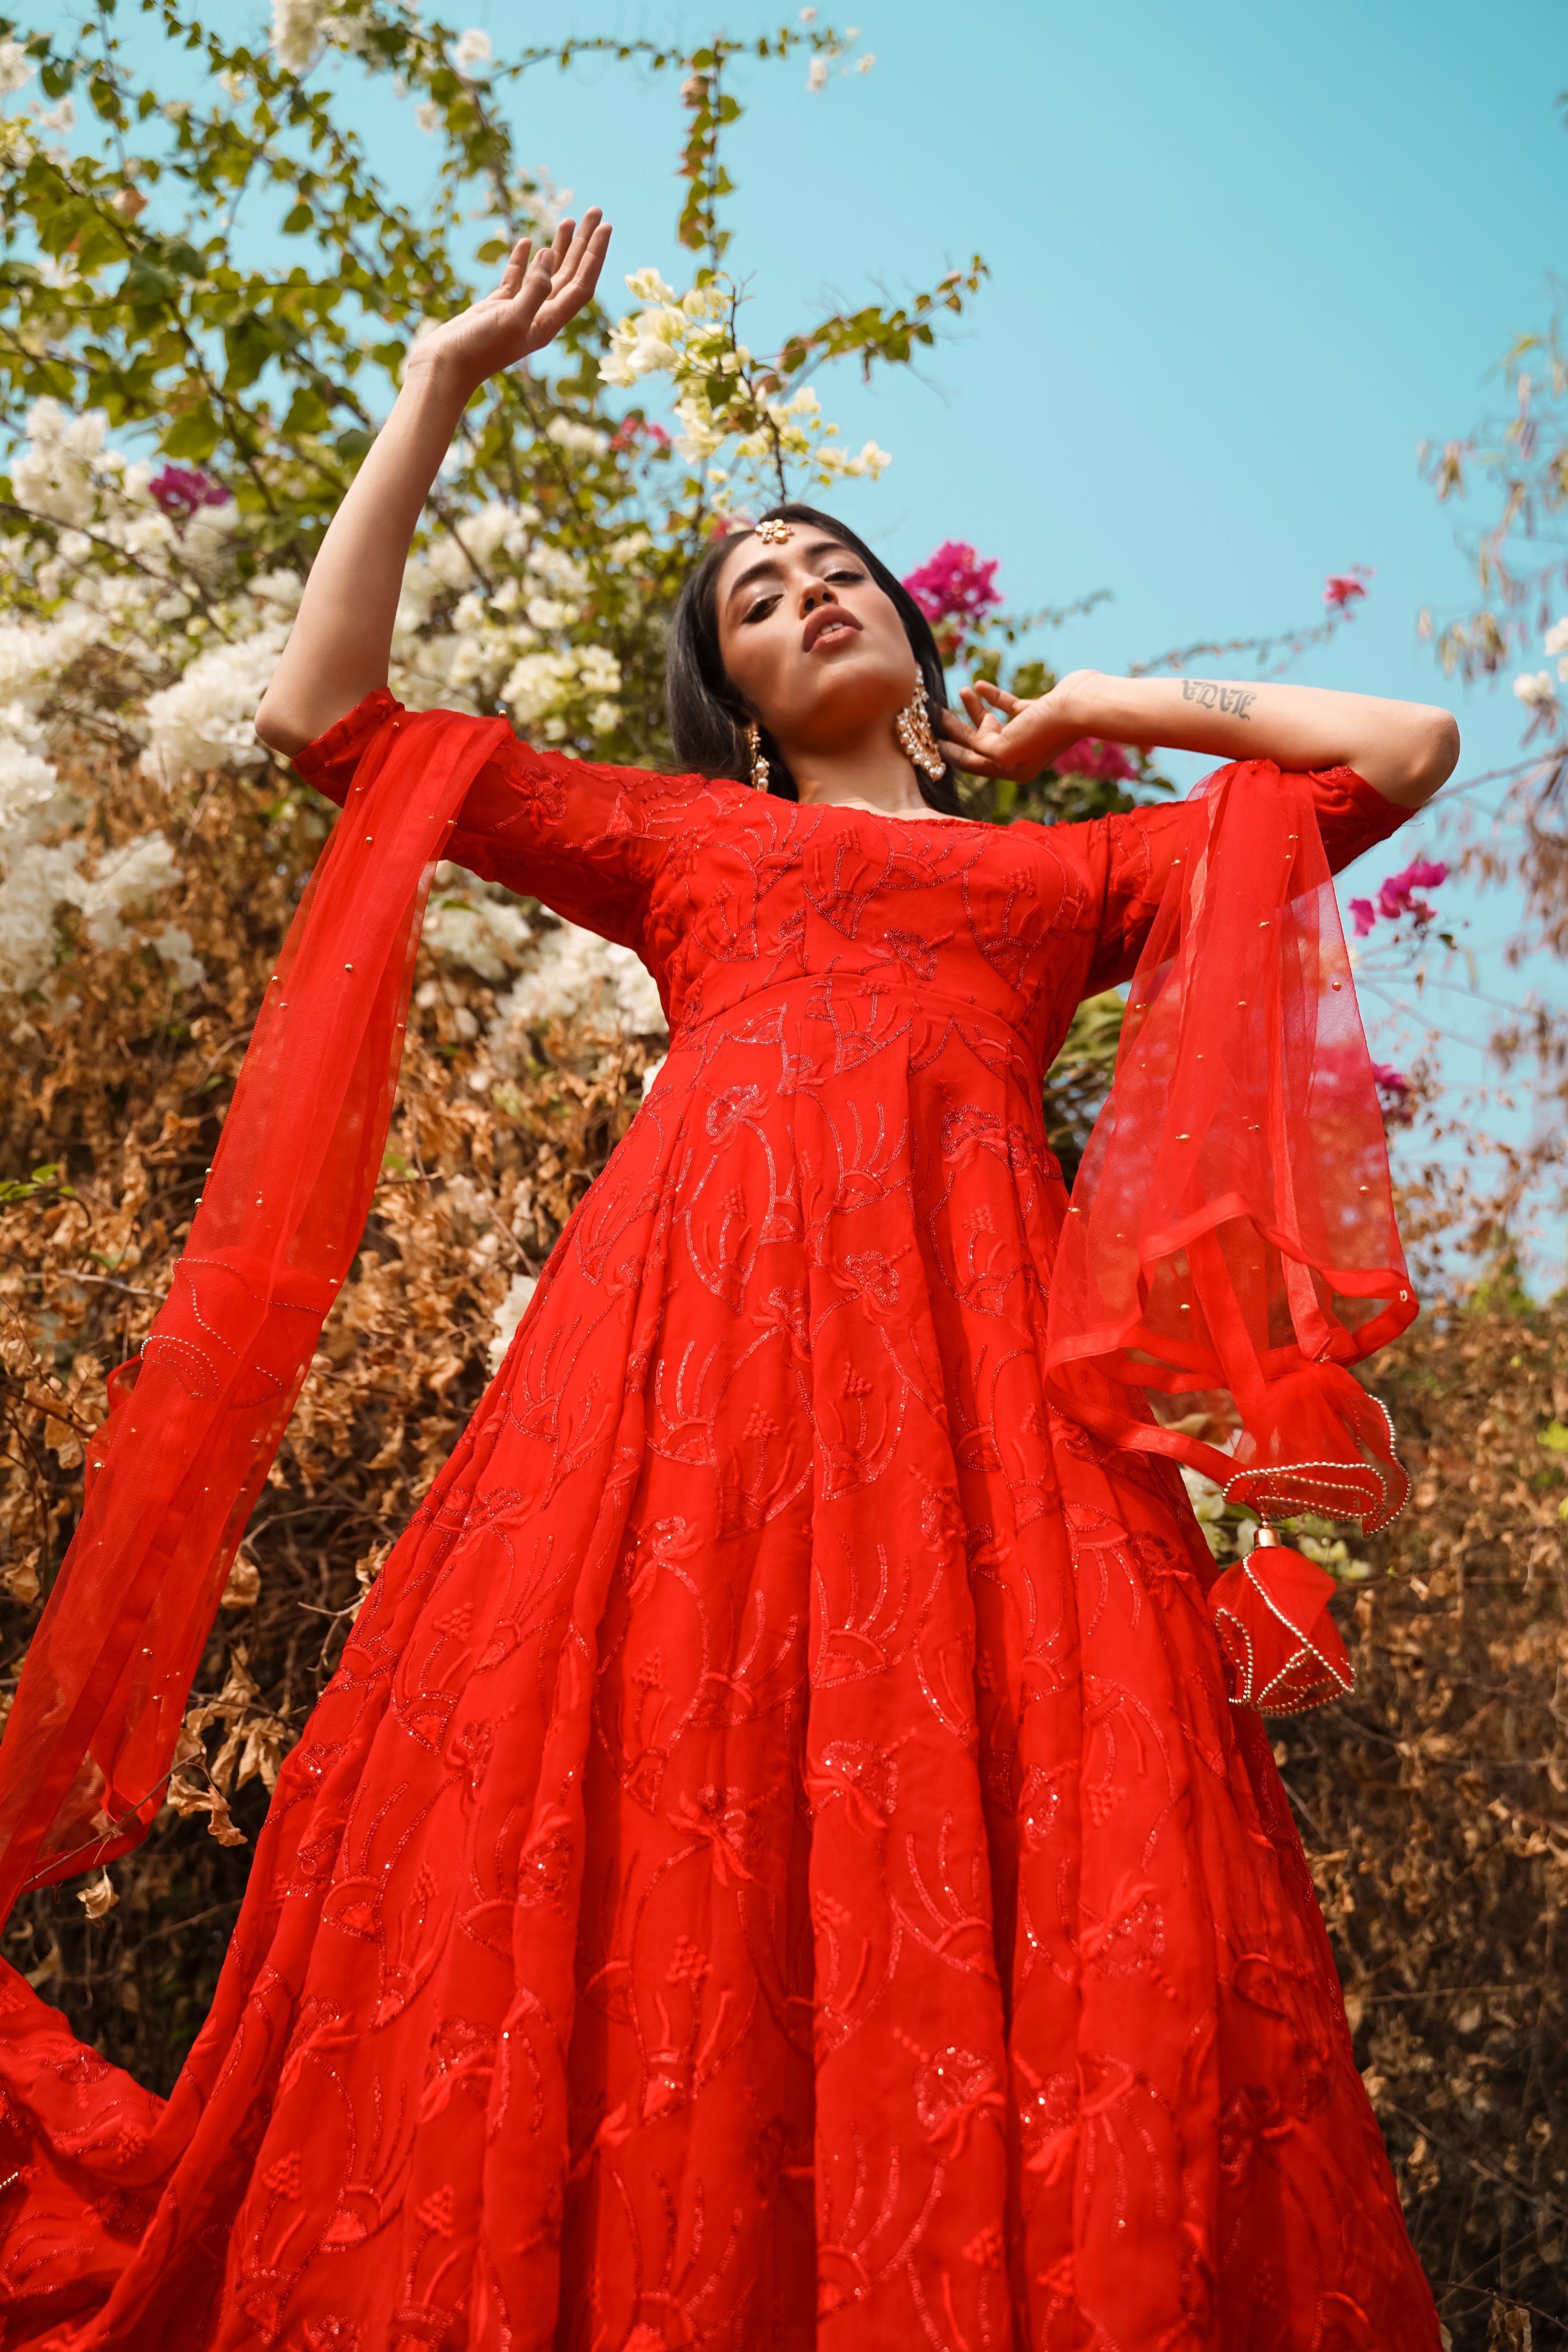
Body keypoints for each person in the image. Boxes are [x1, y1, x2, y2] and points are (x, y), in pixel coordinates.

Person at [0, 214, 1458, 2350]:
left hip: (987, 1432)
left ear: (908, 634)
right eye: (757, 599)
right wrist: (436, 385)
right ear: (735, 703)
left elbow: (1404, 747)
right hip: (681, 1392)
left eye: (836, 567)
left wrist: (1104, 709)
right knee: (644, 1823)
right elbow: (329, 718)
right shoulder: (692, 847)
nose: (811, 593)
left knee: (1056, 1867)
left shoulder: (1064, 870)